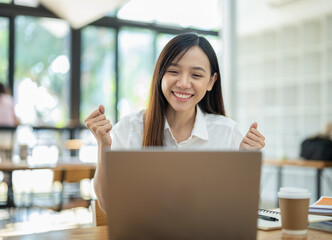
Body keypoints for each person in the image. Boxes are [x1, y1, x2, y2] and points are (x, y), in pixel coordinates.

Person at [85, 33, 265, 211]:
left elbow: (241, 209)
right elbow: (108, 206)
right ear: (160, 75)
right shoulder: (129, 128)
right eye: (173, 71)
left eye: (196, 75)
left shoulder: (227, 133)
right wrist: (103, 145)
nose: (184, 83)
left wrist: (246, 163)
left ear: (211, 82)